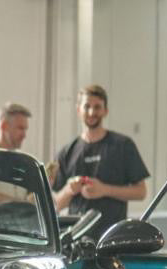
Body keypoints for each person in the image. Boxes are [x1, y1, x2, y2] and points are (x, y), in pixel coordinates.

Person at [50, 84, 149, 236]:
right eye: (87, 106)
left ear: (105, 110)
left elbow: (141, 192)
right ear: (78, 110)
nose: (91, 112)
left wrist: (104, 190)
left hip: (112, 239)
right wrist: (69, 190)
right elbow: (56, 205)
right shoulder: (66, 152)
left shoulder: (123, 145)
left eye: (97, 107)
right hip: (75, 240)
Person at [0, 102, 46, 218]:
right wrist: (23, 205)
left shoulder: (23, 161)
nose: (24, 135)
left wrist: (44, 186)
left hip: (19, 232)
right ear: (4, 126)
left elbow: (28, 200)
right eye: (20, 128)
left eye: (25, 129)